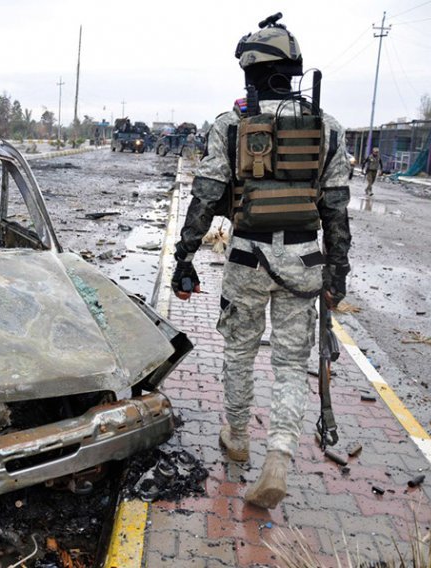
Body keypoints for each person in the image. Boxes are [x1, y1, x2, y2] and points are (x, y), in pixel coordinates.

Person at [170, 13, 352, 509]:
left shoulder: (230, 126)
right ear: (292, 72)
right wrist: (337, 274)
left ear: (249, 72)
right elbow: (336, 211)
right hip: (305, 259)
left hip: (247, 258)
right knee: (292, 363)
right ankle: (279, 455)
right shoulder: (329, 128)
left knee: (239, 352)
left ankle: (237, 437)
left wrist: (184, 257)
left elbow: (205, 199)